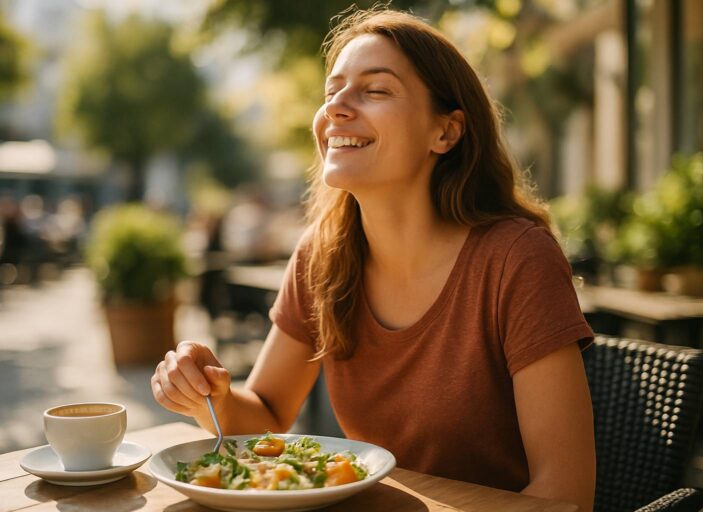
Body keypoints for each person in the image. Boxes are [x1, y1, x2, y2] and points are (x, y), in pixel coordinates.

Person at [152, 8, 596, 511]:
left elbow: (565, 498)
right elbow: (270, 413)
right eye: (331, 92)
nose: (335, 109)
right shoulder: (321, 257)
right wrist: (213, 395)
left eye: (375, 90)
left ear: (445, 133)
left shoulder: (516, 260)